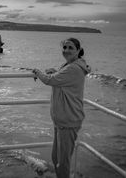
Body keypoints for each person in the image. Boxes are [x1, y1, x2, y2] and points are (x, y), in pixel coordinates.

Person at [32, 37, 90, 178]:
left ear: (78, 51)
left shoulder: (74, 68)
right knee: (56, 157)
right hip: (62, 120)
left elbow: (50, 80)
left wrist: (38, 72)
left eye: (70, 48)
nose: (66, 50)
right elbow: (60, 78)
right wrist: (55, 71)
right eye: (65, 47)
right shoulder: (69, 66)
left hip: (68, 120)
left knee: (62, 162)